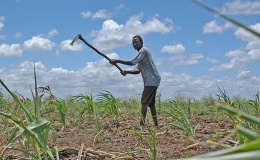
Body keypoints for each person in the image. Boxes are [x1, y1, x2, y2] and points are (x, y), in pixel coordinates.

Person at [110, 35, 161, 127]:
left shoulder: (143, 51)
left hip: (152, 80)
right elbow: (137, 71)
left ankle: (142, 125)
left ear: (141, 43)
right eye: (133, 42)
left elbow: (131, 62)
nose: (134, 44)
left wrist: (117, 61)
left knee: (144, 101)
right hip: (153, 80)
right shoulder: (140, 57)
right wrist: (126, 72)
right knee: (151, 104)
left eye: (136, 42)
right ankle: (156, 124)